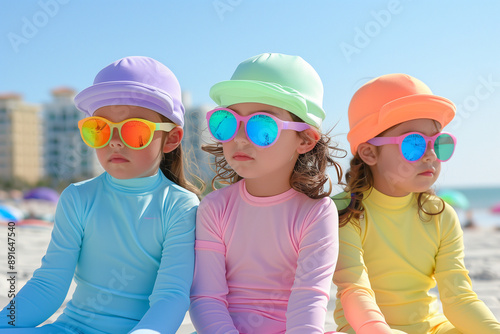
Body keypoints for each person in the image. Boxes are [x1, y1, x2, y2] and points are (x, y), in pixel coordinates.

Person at [0, 56, 201, 333]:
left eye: (135, 131)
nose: (115, 141)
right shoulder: (77, 197)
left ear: (172, 138)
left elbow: (170, 298)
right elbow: (49, 284)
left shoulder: (179, 205)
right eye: (100, 129)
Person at [189, 53, 345, 334]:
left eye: (262, 126)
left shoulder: (316, 212)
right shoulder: (214, 208)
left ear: (305, 139)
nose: (238, 138)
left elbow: (308, 301)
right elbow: (206, 298)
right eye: (227, 122)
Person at [332, 73, 500, 334]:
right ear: (369, 152)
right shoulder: (345, 212)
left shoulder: (441, 215)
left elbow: (459, 298)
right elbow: (354, 290)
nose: (431, 155)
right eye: (414, 144)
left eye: (438, 143)